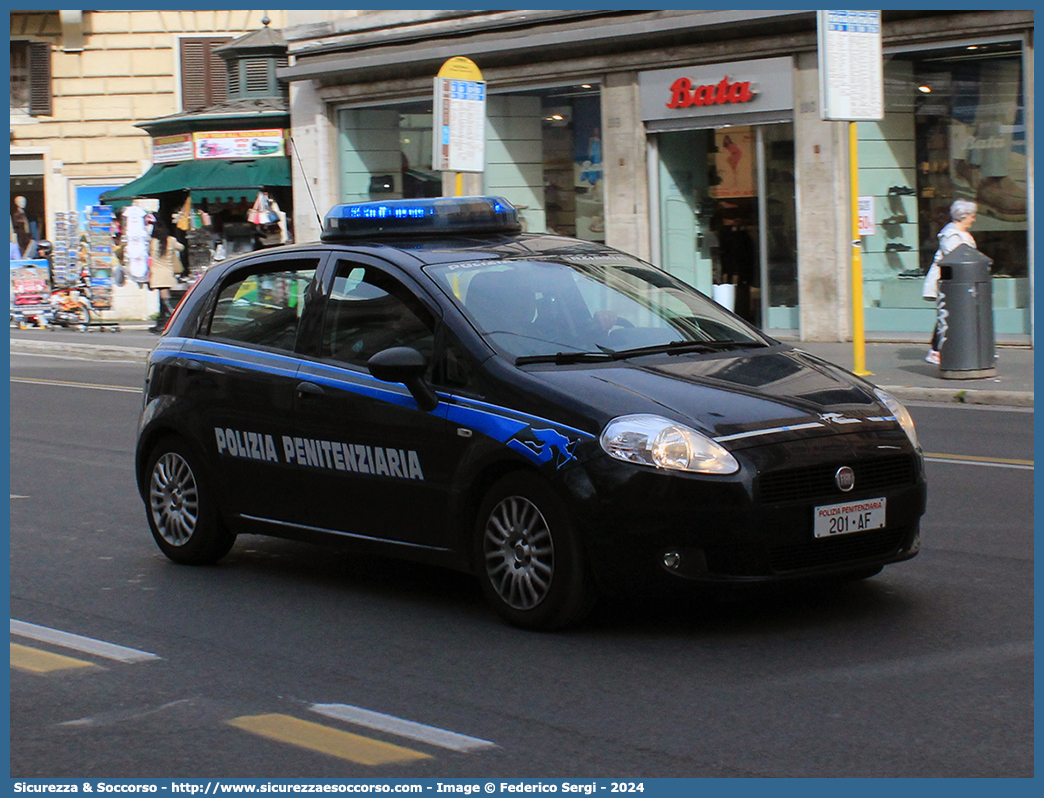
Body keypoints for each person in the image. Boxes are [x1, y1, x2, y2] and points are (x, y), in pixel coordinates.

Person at [922, 199, 977, 365]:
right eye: (972, 216)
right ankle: (936, 350)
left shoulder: (963, 234)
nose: (974, 219)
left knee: (957, 315)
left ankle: (966, 348)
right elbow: (956, 259)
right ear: (964, 216)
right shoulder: (950, 234)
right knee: (946, 315)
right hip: (949, 281)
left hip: (962, 281)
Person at [148, 219, 184, 333]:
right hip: (168, 272)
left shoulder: (152, 242)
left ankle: (170, 318)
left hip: (156, 273)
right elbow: (181, 247)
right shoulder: (171, 240)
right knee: (164, 297)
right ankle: (164, 320)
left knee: (163, 298)